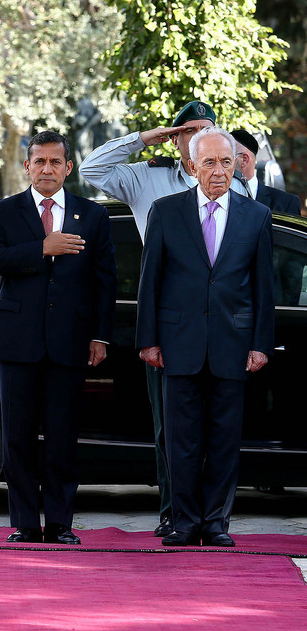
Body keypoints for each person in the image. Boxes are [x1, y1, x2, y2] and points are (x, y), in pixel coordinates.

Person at [78, 100, 246, 538]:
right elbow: (91, 170)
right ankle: (175, 513)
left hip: (224, 323)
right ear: (177, 141)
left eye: (207, 131)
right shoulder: (146, 178)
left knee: (219, 428)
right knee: (169, 428)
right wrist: (146, 138)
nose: (198, 139)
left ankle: (212, 519)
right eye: (187, 132)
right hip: (171, 320)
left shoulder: (233, 186)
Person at [136, 127, 274, 548]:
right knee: (180, 440)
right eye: (210, 163)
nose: (218, 172)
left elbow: (264, 288)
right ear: (192, 166)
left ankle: (216, 524)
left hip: (233, 345)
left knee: (225, 439)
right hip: (178, 345)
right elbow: (150, 282)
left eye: (226, 162)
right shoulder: (166, 211)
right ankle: (184, 522)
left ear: (237, 166)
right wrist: (149, 340)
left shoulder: (256, 216)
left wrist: (260, 343)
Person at [0, 130, 116, 544]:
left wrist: (100, 336)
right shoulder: (3, 211)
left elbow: (105, 281)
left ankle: (60, 524)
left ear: (68, 168)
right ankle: (24, 524)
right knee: (17, 437)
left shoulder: (92, 216)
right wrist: (42, 247)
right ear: (27, 166)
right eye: (39, 161)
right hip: (16, 342)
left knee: (62, 436)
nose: (47, 169)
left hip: (70, 342)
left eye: (55, 162)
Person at [230, 129, 300, 215]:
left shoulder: (286, 203)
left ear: (244, 159)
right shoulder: (214, 197)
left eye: (226, 158)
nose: (219, 164)